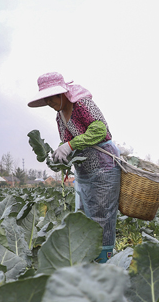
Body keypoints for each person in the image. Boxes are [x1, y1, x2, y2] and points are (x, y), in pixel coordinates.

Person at [27, 72, 121, 263]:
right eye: (46, 100)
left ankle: (104, 262)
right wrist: (63, 156)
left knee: (101, 216)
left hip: (104, 168)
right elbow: (68, 143)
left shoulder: (82, 104)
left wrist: (70, 146)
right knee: (85, 215)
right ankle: (88, 259)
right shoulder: (59, 116)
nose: (50, 104)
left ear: (61, 94)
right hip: (84, 172)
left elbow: (100, 129)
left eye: (51, 98)